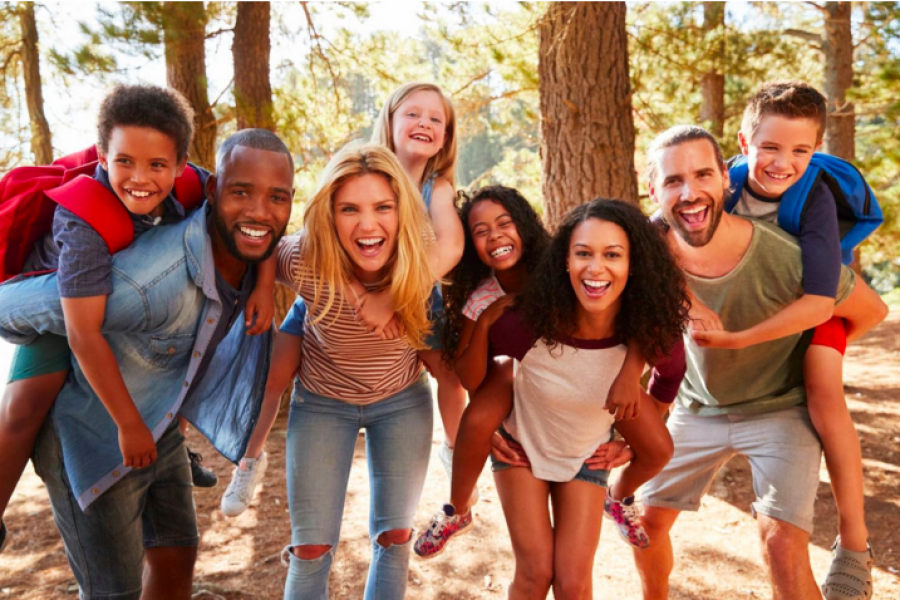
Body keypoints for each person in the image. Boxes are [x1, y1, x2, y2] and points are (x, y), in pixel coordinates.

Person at [0, 128, 294, 599]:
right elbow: (41, 312)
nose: (260, 210)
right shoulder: (144, 284)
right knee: (112, 591)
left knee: (177, 557)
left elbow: (261, 224)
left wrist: (263, 281)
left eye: (277, 197)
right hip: (95, 436)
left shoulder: (230, 227)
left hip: (160, 429)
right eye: (241, 192)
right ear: (217, 191)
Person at [635, 125, 888, 600]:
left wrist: (819, 346)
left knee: (780, 542)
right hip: (697, 407)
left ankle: (855, 543)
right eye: (672, 181)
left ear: (727, 179)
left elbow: (872, 310)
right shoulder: (648, 253)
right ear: (654, 191)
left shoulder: (789, 256)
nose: (689, 193)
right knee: (645, 524)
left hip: (780, 406)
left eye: (703, 175)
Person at [688, 81, 875, 599]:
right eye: (769, 147)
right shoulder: (719, 186)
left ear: (815, 152)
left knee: (822, 390)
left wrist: (740, 338)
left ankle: (854, 540)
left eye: (800, 150)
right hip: (758, 309)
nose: (782, 163)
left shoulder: (812, 196)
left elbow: (820, 302)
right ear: (744, 146)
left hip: (813, 307)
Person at [274, 142, 461, 600]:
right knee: (311, 546)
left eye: (383, 207)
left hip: (400, 401)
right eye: (349, 209)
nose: (368, 224)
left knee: (395, 540)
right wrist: (261, 294)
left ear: (402, 211)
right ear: (329, 215)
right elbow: (258, 251)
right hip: (321, 403)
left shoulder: (420, 264)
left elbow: (444, 361)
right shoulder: (304, 259)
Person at [478, 199, 685, 599]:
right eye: (583, 253)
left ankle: (618, 497)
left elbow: (670, 376)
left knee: (573, 584)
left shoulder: (650, 326)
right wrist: (484, 426)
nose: (596, 267)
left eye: (612, 255)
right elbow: (480, 368)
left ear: (633, 264)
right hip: (522, 448)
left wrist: (630, 440)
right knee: (535, 575)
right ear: (565, 262)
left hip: (584, 455)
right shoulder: (528, 322)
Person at [370, 82, 468, 492]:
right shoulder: (367, 174)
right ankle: (252, 453)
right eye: (413, 114)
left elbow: (451, 244)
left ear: (445, 138)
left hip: (414, 294)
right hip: (357, 288)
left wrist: (397, 295)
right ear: (390, 122)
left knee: (448, 373)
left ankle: (453, 447)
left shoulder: (436, 187)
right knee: (290, 348)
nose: (424, 123)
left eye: (435, 119)